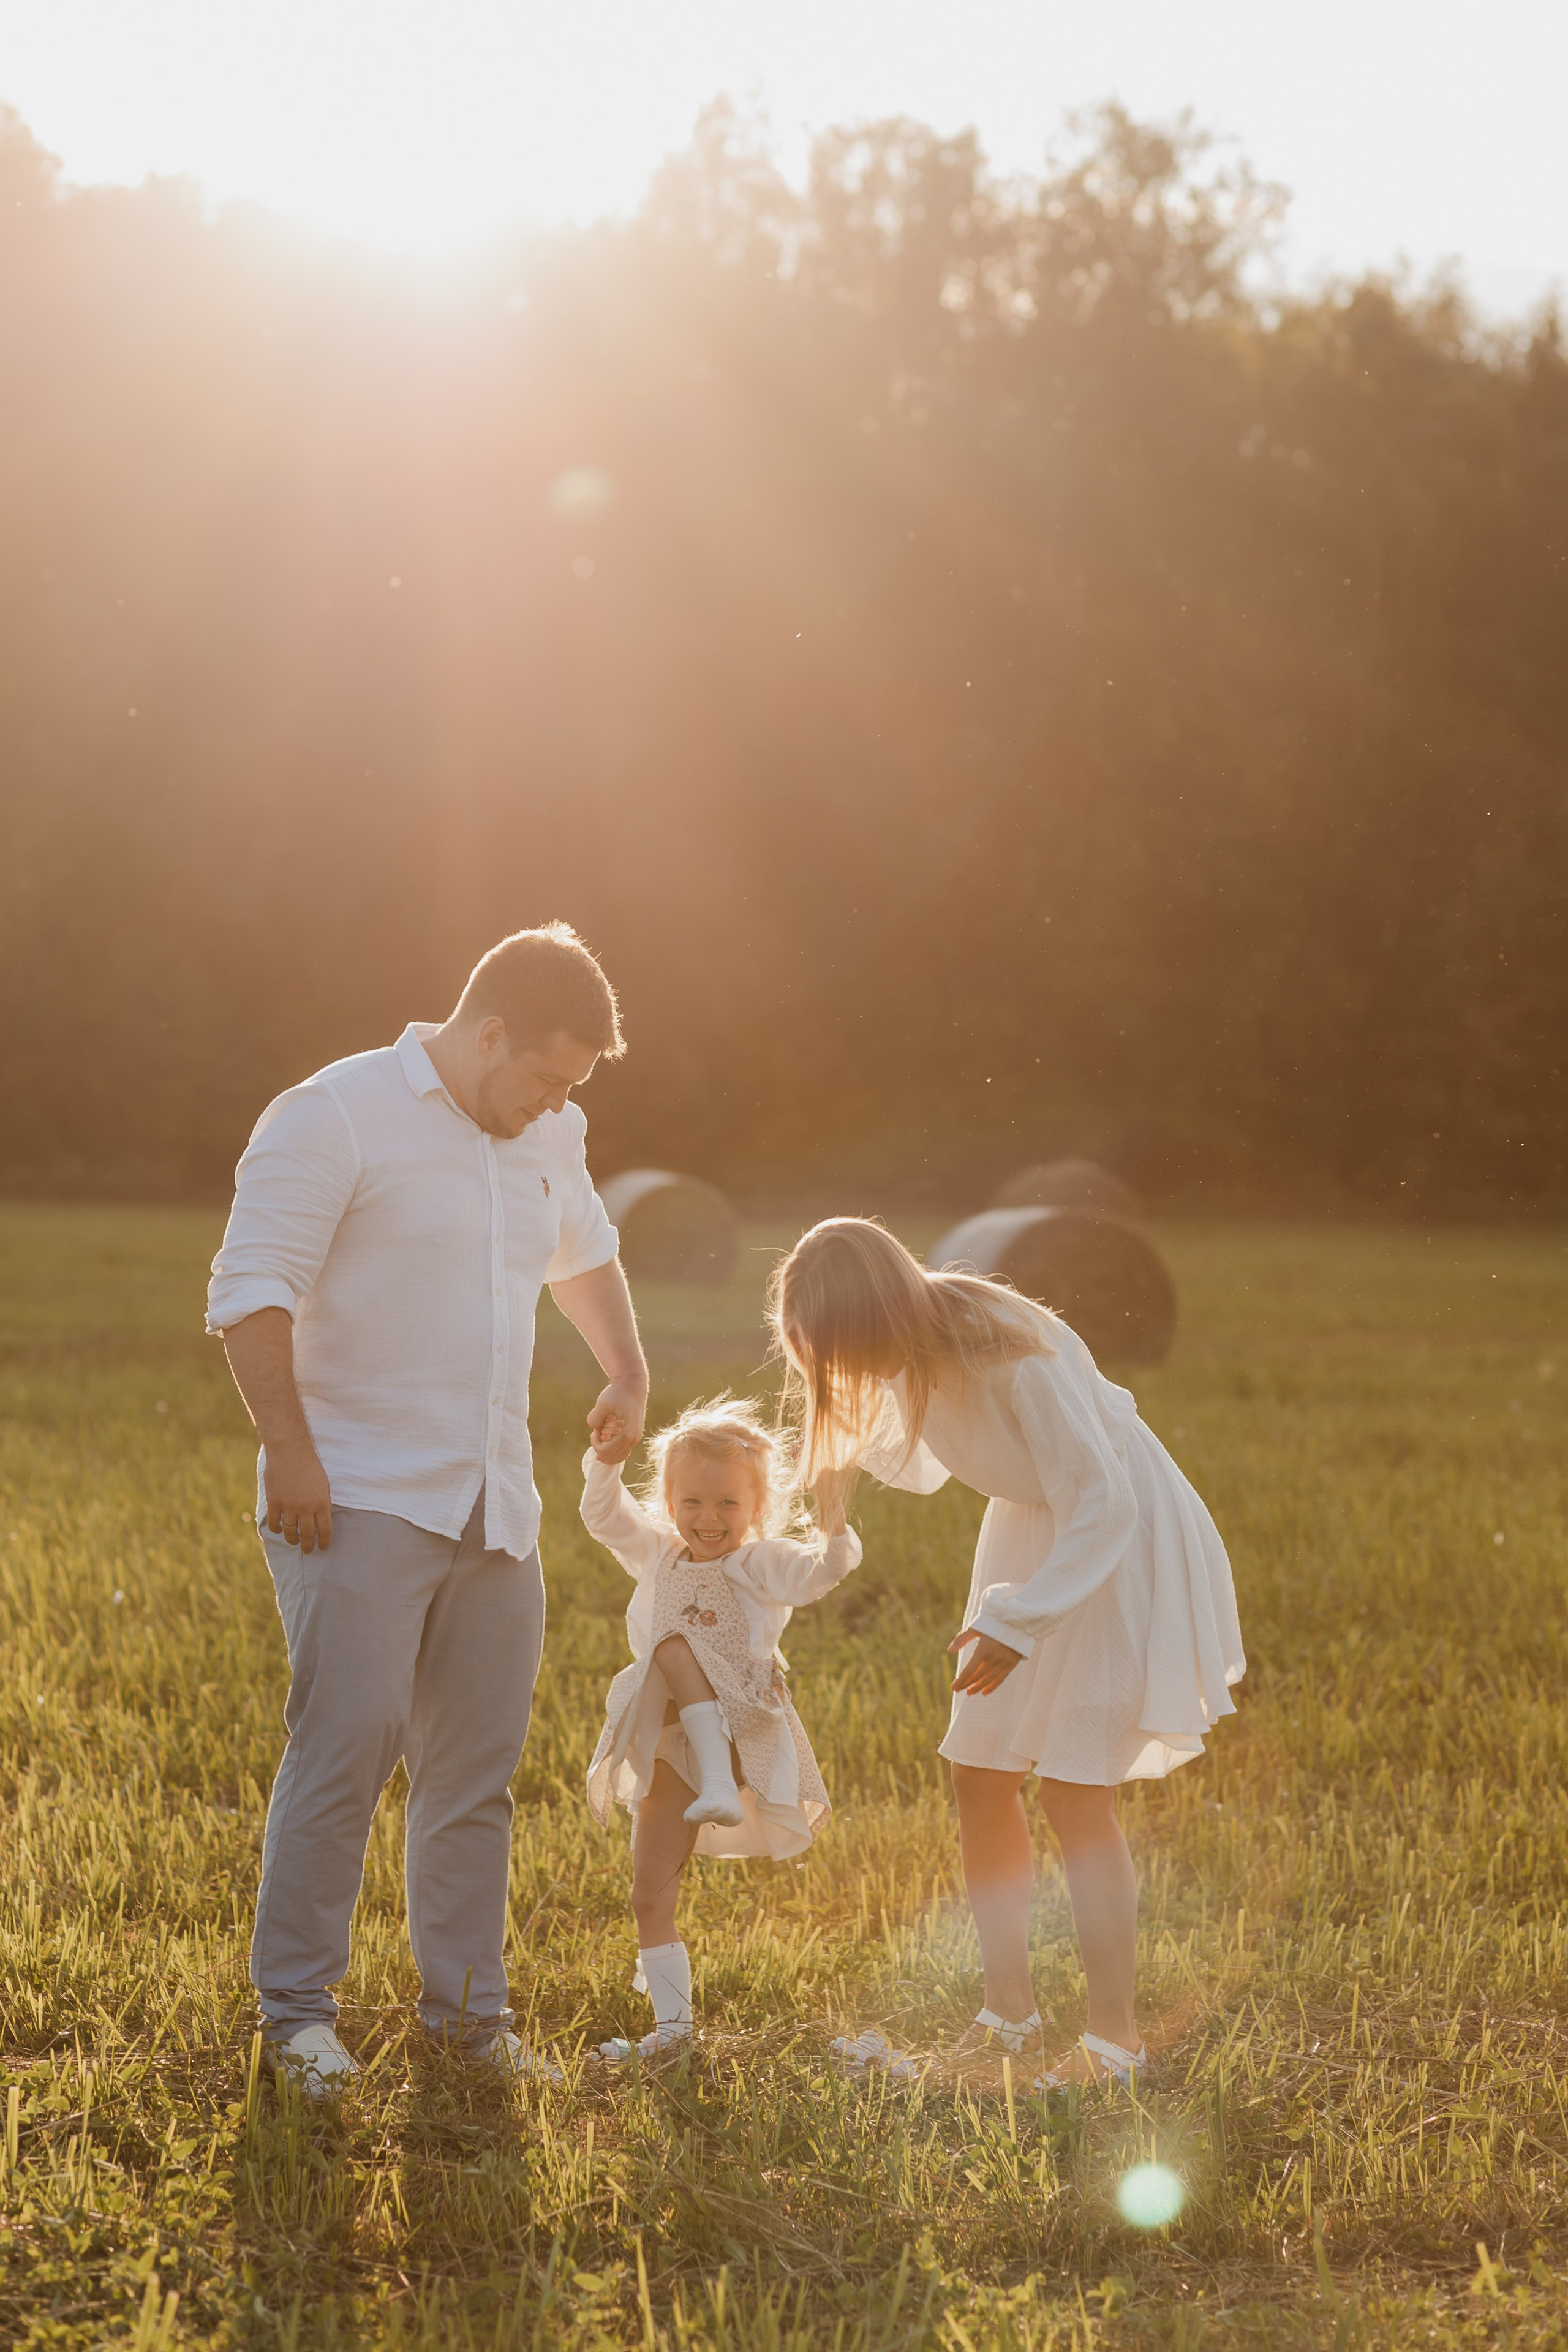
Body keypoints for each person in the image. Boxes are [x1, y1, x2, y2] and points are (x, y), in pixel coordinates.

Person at [206, 923, 649, 2100]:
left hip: (495, 1501)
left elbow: (585, 1248)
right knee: (346, 1750)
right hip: (351, 1492)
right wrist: (290, 1453)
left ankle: (468, 2021)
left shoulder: (549, 1126)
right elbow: (250, 1292)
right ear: (488, 1031)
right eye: (546, 1075)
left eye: (573, 1089)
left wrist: (628, 1370)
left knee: (475, 1776)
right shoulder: (333, 1113)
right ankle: (297, 2018)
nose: (555, 1104)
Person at [771, 1218, 1245, 2089]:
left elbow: (1101, 1500)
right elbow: (906, 1457)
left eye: (841, 1350)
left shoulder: (1008, 1354)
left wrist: (1021, 1620)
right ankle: (1010, 2011)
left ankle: (1115, 2043)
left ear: (878, 1315)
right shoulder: (909, 1349)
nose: (840, 1372)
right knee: (981, 1773)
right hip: (1031, 1533)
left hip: (1108, 1541)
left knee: (1073, 1788)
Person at [580, 1397, 858, 2061]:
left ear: (757, 1507)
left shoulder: (758, 1564)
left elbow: (821, 1572)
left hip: (738, 1727)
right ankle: (672, 2035)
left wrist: (832, 1517)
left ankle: (720, 1785)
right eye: (693, 1503)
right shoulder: (659, 1554)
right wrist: (605, 1463)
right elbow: (602, 1516)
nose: (709, 1519)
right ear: (669, 1503)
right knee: (648, 1891)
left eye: (728, 1505)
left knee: (671, 1647)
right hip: (674, 1743)